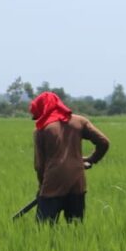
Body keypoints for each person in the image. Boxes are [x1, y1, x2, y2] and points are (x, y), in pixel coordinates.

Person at [29, 92, 110, 224]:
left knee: (43, 229)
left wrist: (41, 188)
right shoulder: (80, 121)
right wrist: (91, 159)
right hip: (78, 184)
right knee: (75, 228)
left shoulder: (42, 130)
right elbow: (104, 142)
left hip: (52, 185)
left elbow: (39, 166)